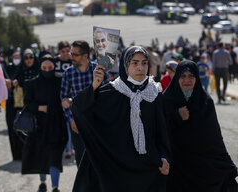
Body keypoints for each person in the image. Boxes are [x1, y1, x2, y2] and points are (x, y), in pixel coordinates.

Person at [71, 46, 170, 192]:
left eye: (144, 63)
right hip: (116, 169)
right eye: (134, 63)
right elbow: (80, 108)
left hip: (147, 170)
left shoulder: (154, 93)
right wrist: (94, 86)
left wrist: (164, 157)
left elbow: (163, 131)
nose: (140, 68)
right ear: (125, 65)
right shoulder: (111, 92)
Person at [162, 60, 238, 192]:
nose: (187, 80)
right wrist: (176, 116)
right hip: (176, 167)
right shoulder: (167, 100)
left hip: (201, 167)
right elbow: (159, 132)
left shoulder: (205, 102)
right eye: (183, 76)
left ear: (197, 78)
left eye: (191, 76)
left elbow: (215, 138)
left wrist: (225, 165)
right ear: (176, 78)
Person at [21, 55, 68, 192]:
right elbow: (27, 103)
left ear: (54, 67)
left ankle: (55, 187)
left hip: (56, 125)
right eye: (44, 68)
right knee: (41, 156)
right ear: (40, 67)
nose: (47, 70)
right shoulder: (32, 83)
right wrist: (40, 108)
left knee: (54, 157)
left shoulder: (61, 81)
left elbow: (65, 97)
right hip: (39, 127)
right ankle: (43, 183)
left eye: (50, 68)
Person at [60, 40, 109, 167]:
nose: (71, 57)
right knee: (82, 163)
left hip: (97, 124)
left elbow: (106, 97)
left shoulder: (99, 70)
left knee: (100, 162)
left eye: (75, 54)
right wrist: (71, 119)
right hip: (78, 125)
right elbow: (64, 98)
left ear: (85, 56)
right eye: (71, 54)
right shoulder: (68, 73)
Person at [54, 41, 73, 158]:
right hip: (56, 97)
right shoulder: (54, 62)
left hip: (69, 98)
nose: (66, 54)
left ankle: (69, 148)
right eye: (63, 51)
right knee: (59, 124)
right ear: (59, 51)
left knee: (69, 123)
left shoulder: (73, 62)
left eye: (67, 51)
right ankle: (63, 147)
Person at [5, 51, 25, 161]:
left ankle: (23, 152)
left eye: (19, 57)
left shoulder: (23, 68)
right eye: (15, 57)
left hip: (22, 102)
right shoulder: (8, 68)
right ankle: (15, 154)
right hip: (11, 101)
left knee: (22, 126)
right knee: (11, 126)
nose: (17, 59)